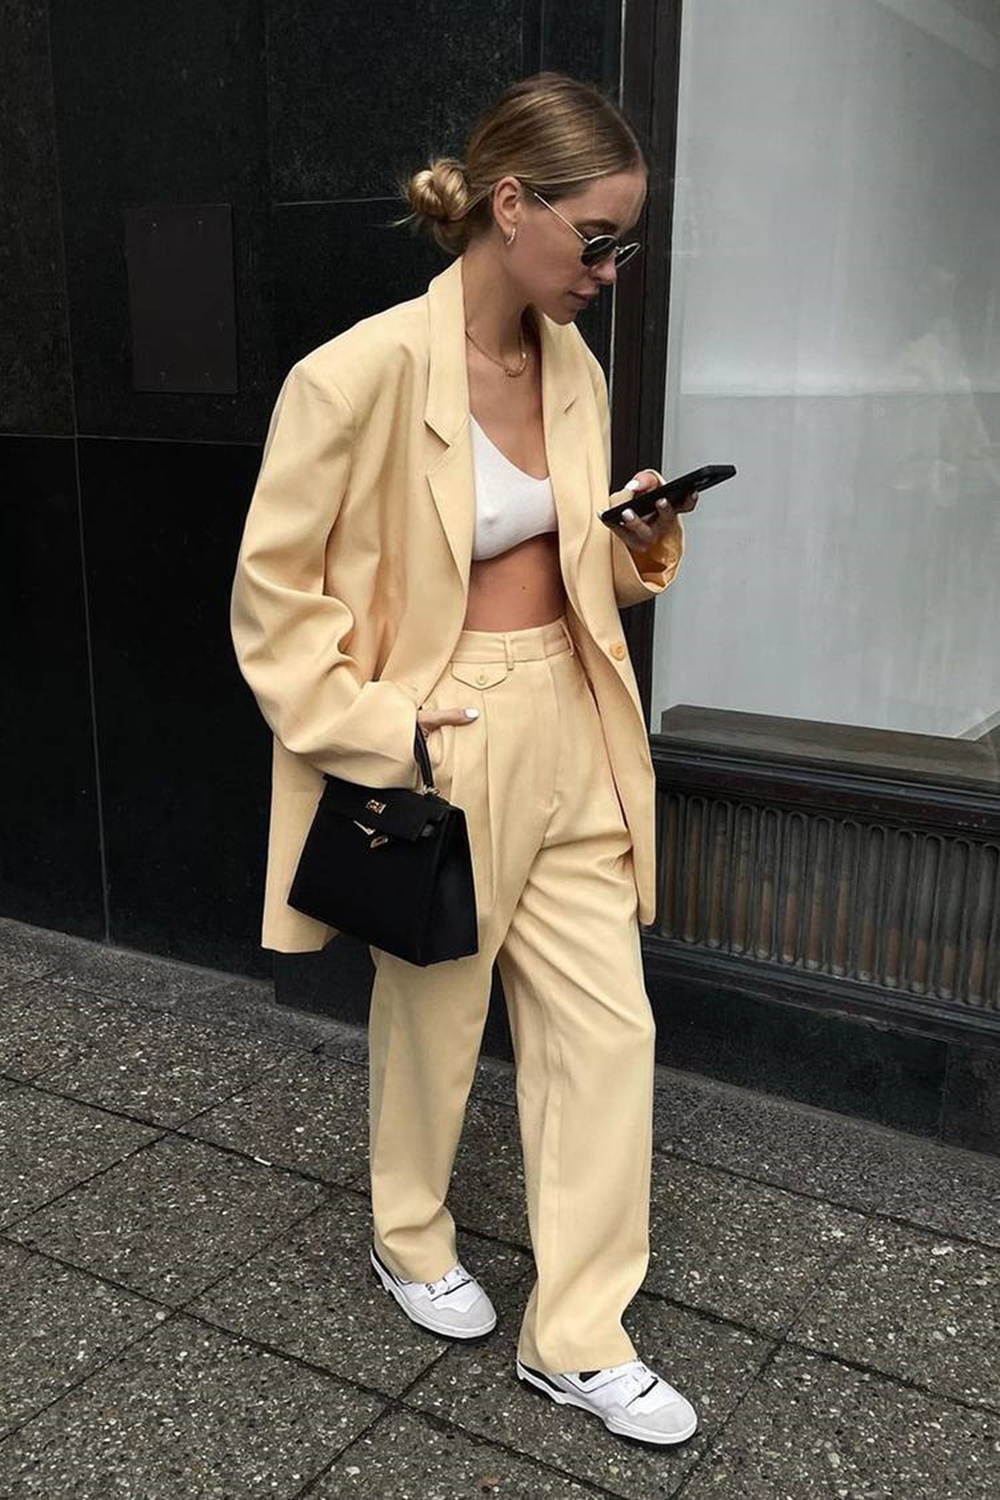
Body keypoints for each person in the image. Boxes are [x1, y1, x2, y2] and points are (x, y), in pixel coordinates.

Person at [231, 72, 699, 1447]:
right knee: (434, 1016)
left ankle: (580, 1335)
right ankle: (410, 1231)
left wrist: (637, 537)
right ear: (511, 205)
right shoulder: (358, 374)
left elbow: (572, 565)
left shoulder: (575, 369)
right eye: (597, 240)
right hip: (446, 730)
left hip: (576, 712)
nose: (607, 272)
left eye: (624, 247)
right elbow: (273, 602)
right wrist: (387, 727)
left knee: (608, 1031)